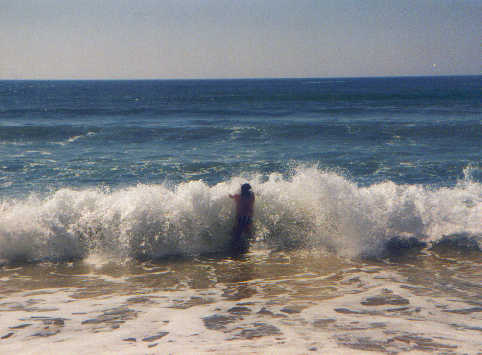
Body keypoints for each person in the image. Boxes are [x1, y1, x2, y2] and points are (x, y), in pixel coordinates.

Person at [229, 183, 255, 252]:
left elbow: (230, 196)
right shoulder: (252, 196)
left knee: (236, 233)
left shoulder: (238, 197)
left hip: (240, 217)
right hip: (248, 217)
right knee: (248, 233)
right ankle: (250, 248)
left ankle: (235, 248)